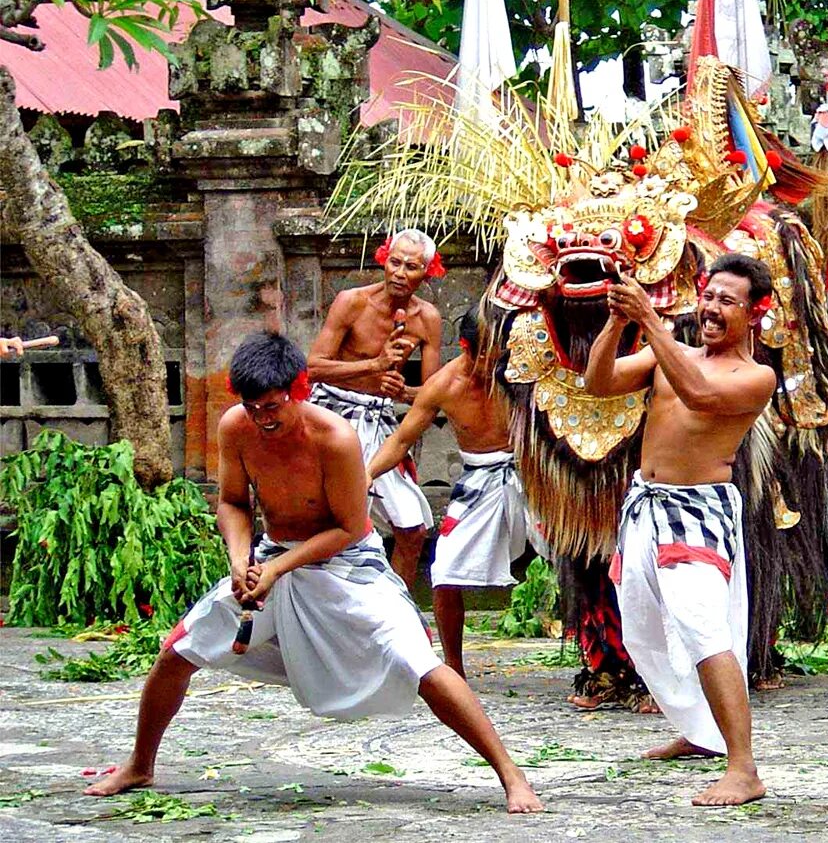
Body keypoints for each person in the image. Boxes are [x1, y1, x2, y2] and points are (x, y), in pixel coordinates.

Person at [82, 332, 541, 811]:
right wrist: (242, 561)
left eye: (272, 405)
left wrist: (277, 567)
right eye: (252, 406)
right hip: (272, 555)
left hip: (350, 565)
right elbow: (233, 503)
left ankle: (511, 775)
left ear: (298, 389)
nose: (263, 418)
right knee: (177, 649)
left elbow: (348, 527)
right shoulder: (235, 428)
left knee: (421, 665)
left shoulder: (335, 439)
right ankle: (140, 763)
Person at [583, 253, 777, 807]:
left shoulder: (754, 377)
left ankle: (744, 767)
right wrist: (618, 323)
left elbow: (700, 396)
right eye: (708, 296)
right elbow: (598, 384)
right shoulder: (672, 354)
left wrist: (648, 320)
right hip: (645, 506)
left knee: (701, 626)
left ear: (755, 312)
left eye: (727, 301)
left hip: (699, 510)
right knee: (644, 630)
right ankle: (700, 732)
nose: (711, 309)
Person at [367, 307, 540, 679]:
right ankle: (454, 669)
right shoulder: (444, 385)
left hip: (533, 474)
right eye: (487, 356)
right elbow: (400, 441)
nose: (496, 364)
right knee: (443, 570)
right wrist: (365, 475)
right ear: (466, 347)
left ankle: (606, 660)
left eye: (501, 354)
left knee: (580, 558)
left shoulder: (521, 372)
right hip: (479, 480)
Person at [307, 228, 445, 586]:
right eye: (395, 263)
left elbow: (431, 393)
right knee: (337, 525)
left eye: (411, 267)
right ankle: (334, 607)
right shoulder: (352, 302)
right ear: (383, 260)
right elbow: (314, 367)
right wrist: (373, 365)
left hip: (380, 422)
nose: (400, 273)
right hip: (333, 416)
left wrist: (404, 391)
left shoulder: (427, 318)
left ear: (426, 273)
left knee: (412, 529)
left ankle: (396, 610)